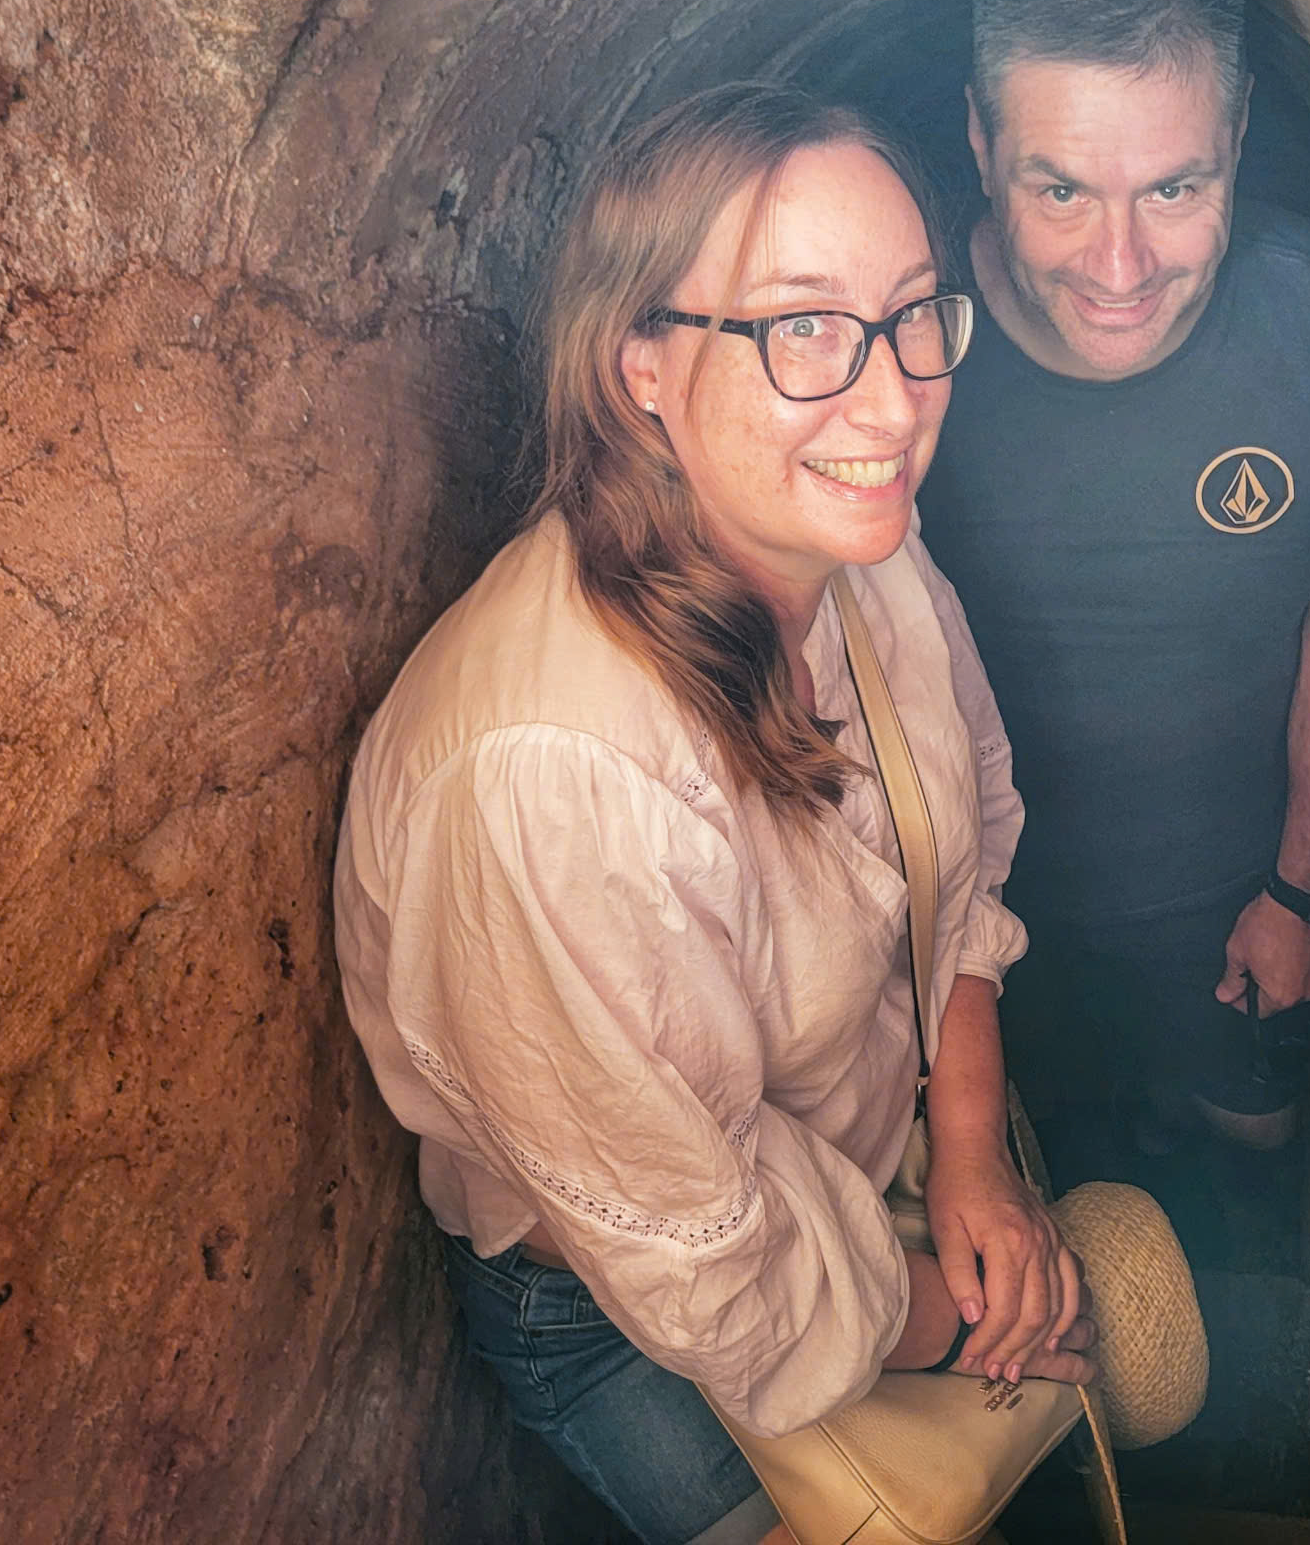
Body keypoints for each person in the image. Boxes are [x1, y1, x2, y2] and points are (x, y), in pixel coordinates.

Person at [332, 83, 1095, 1545]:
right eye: (801, 328)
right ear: (641, 365)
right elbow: (705, 1265)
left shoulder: (850, 533)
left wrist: (972, 1147)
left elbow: (962, 837)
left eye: (914, 312)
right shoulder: (556, 778)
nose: (892, 402)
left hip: (857, 1197)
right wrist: (974, 1328)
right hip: (636, 1309)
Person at [915, 0, 1310, 1156]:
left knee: (1243, 1163)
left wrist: (1298, 896)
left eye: (1171, 188)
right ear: (980, 146)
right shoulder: (892, 344)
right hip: (952, 931)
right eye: (1059, 191)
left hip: (1223, 917)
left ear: (1241, 137)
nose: (1116, 267)